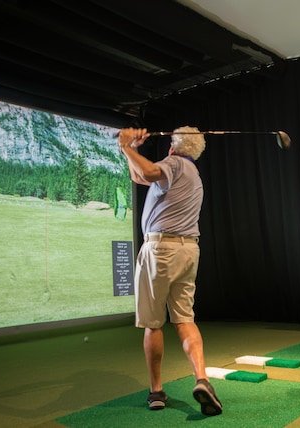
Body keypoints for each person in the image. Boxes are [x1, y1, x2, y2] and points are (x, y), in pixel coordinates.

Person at [118, 127, 222, 416]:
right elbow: (139, 176)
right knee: (185, 319)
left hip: (161, 250)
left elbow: (149, 173)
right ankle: (202, 379)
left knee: (153, 323)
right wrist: (131, 151)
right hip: (189, 251)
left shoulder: (174, 163)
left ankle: (156, 391)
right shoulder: (192, 173)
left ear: (173, 146)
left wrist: (126, 145)